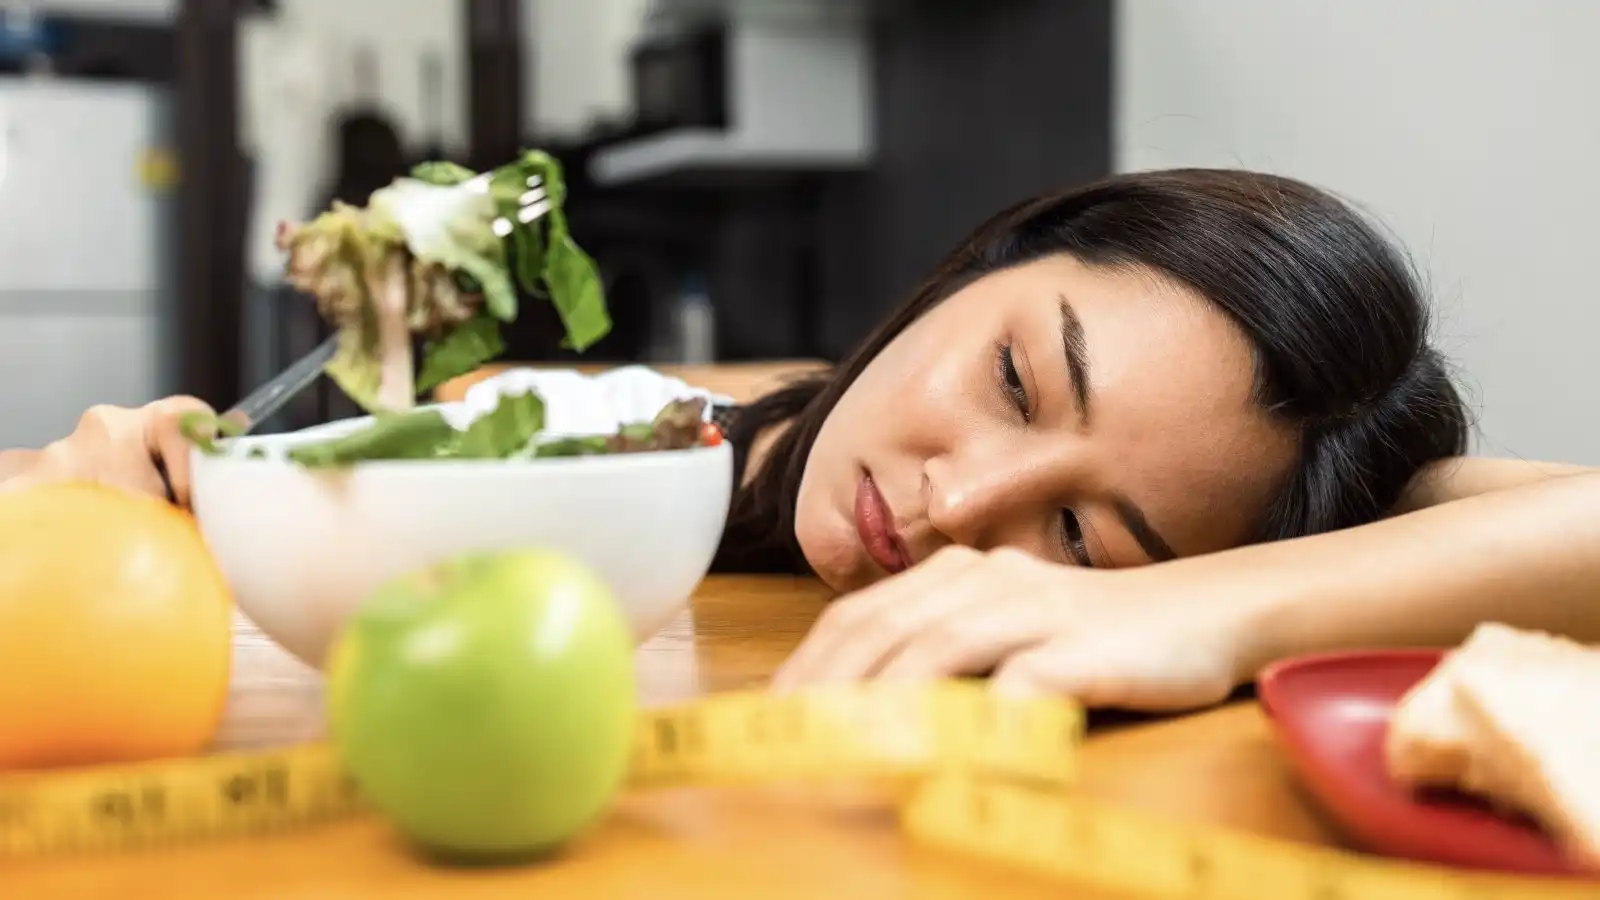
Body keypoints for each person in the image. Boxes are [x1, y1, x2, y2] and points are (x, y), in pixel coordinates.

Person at [9, 169, 1599, 713]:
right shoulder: (692, 419)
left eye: (1083, 540)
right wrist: (85, 501)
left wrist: (1208, 605)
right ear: (985, 261)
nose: (960, 499)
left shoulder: (1285, 531)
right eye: (1021, 386)